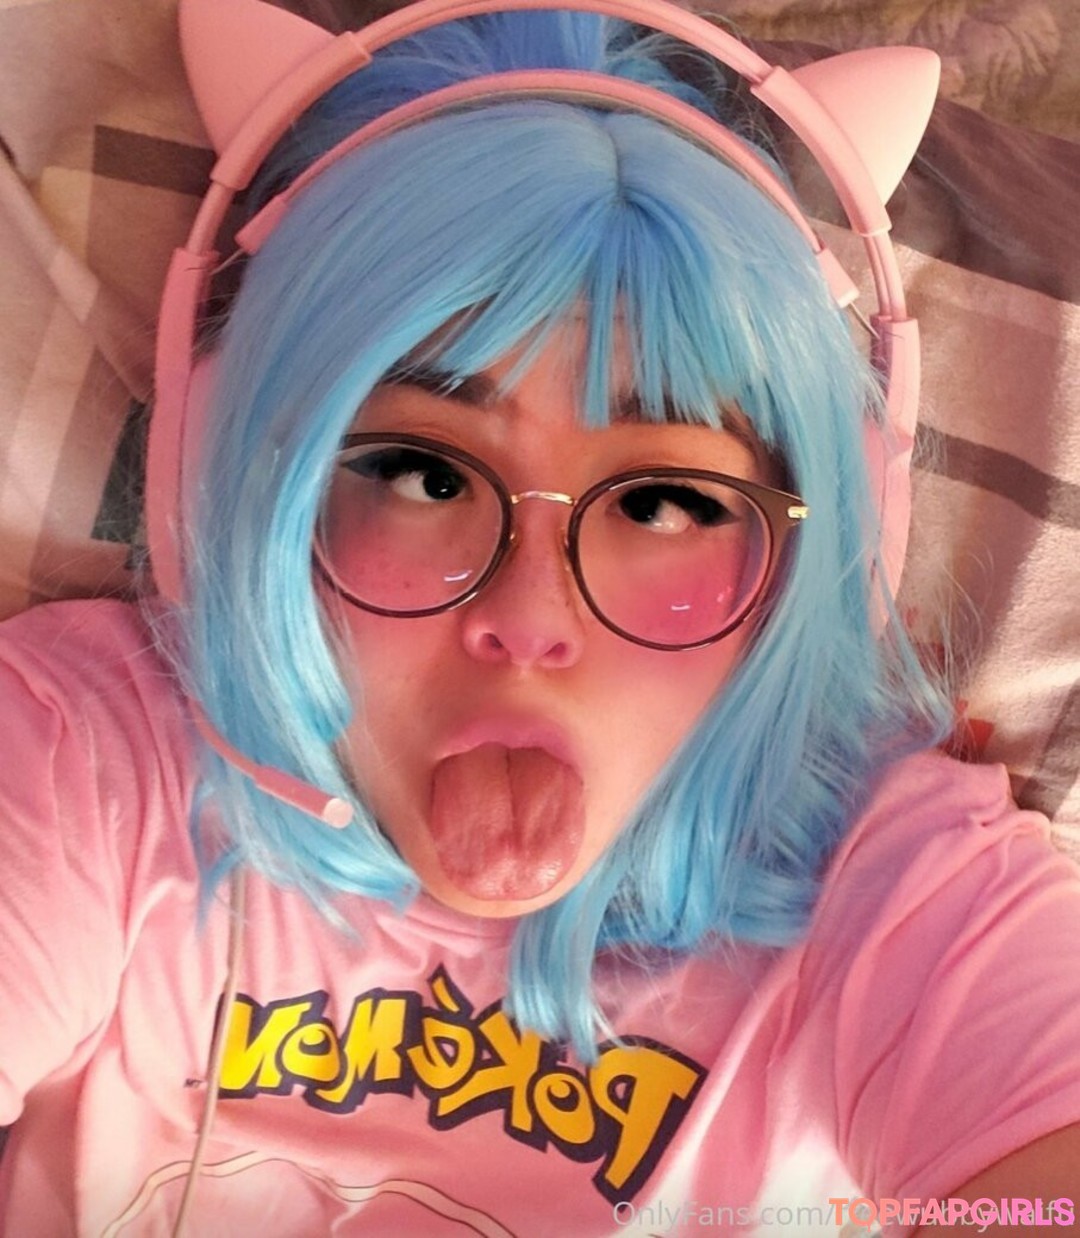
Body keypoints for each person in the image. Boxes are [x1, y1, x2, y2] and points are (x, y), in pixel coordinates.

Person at [1, 1, 1078, 1234]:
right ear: (235, 473)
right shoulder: (81, 757)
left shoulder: (903, 899)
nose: (529, 619)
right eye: (423, 476)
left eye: (662, 503)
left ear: (820, 549)